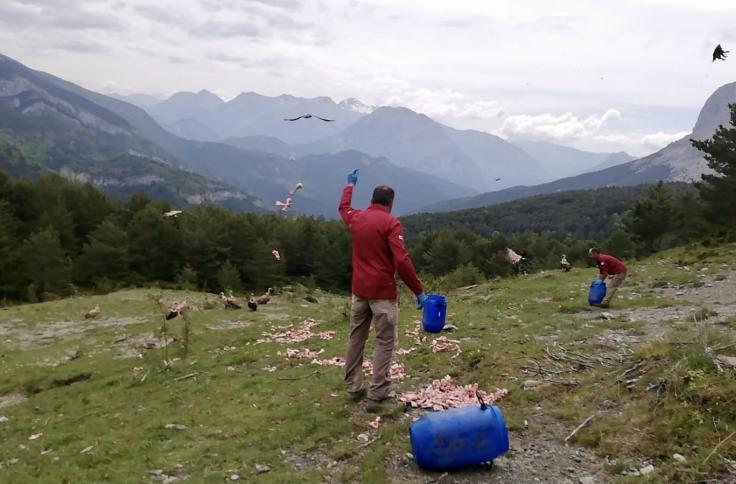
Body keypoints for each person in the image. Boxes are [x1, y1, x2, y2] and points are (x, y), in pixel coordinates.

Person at [339, 169, 427, 413]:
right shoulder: (391, 223)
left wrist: (349, 186)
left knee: (356, 337)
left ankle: (354, 387)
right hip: (382, 293)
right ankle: (377, 395)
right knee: (385, 341)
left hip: (359, 291)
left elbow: (343, 208)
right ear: (391, 203)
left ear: (371, 200)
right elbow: (401, 260)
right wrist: (418, 291)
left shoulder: (356, 218)